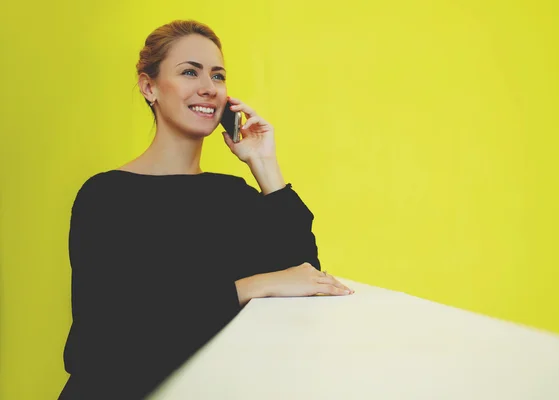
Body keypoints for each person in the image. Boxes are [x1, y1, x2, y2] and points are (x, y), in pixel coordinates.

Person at [58, 19, 353, 399]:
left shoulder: (234, 196)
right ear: (149, 87)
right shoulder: (105, 197)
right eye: (189, 72)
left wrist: (264, 164)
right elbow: (108, 344)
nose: (208, 88)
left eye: (218, 76)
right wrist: (251, 287)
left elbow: (304, 278)